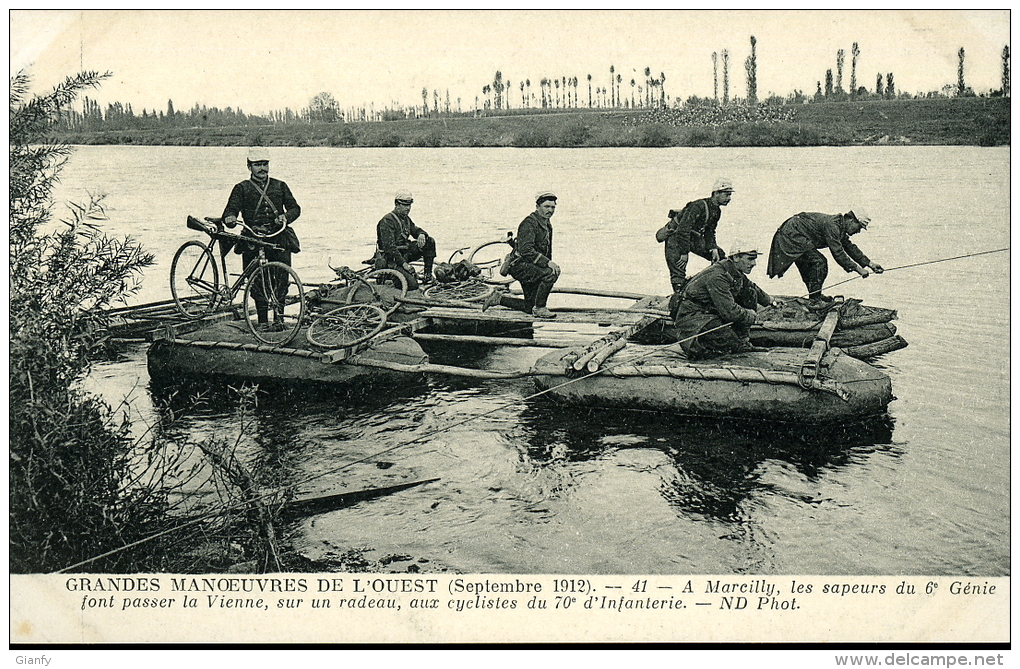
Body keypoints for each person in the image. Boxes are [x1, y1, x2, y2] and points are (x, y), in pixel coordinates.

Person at [221, 147, 301, 329]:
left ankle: (279, 320)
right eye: (257, 165)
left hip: (278, 239)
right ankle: (263, 322)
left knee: (281, 279)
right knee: (257, 281)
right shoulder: (241, 188)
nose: (262, 168)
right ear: (249, 166)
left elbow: (295, 208)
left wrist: (285, 217)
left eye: (265, 164)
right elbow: (230, 210)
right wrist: (231, 218)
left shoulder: (280, 185)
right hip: (252, 240)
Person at [672, 242, 781, 360]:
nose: (753, 263)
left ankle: (742, 340)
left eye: (754, 259)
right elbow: (729, 311)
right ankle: (735, 343)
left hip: (709, 313)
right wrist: (749, 315)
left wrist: (771, 300)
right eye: (750, 259)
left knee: (749, 292)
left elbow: (751, 286)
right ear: (736, 257)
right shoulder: (718, 276)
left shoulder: (733, 270)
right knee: (727, 343)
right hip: (693, 318)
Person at [766, 209, 884, 302]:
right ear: (852, 221)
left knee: (812, 265)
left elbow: (849, 247)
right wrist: (858, 269)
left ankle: (815, 297)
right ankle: (815, 300)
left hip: (798, 235)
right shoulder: (833, 226)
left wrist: (870, 264)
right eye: (859, 228)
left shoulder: (840, 226)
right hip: (792, 234)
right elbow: (838, 253)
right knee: (819, 262)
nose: (858, 231)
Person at [482, 192, 561, 319]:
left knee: (529, 307)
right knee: (551, 273)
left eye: (553, 207)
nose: (550, 210)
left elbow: (546, 250)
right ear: (537, 207)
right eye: (547, 207)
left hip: (531, 266)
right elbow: (526, 251)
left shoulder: (546, 224)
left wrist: (547, 262)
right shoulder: (529, 223)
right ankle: (540, 308)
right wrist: (547, 264)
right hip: (520, 266)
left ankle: (498, 299)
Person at [661, 178, 734, 293]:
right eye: (726, 195)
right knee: (678, 268)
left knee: (720, 256)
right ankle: (679, 294)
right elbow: (683, 229)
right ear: (716, 193)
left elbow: (710, 232)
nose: (729, 199)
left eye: (730, 195)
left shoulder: (716, 211)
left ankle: (718, 283)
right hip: (676, 237)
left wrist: (713, 248)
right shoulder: (698, 205)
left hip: (692, 237)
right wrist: (684, 252)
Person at [375, 190, 437, 290]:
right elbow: (390, 249)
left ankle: (428, 275)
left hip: (404, 253)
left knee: (429, 242)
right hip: (391, 258)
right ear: (396, 204)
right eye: (404, 205)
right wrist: (404, 264)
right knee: (412, 285)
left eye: (409, 205)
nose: (408, 208)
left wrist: (422, 234)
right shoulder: (387, 221)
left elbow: (415, 230)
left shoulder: (406, 218)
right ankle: (388, 275)